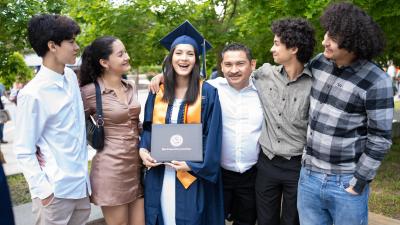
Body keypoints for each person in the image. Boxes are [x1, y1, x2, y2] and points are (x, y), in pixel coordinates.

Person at [298, 3, 393, 225]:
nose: (324, 41)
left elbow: (380, 138)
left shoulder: (377, 81)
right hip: (308, 178)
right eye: (326, 33)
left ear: (352, 41)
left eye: (333, 36)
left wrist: (358, 182)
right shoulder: (318, 63)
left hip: (345, 184)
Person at [139, 21, 224, 225]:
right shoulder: (157, 91)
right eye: (178, 53)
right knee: (164, 217)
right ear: (171, 57)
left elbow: (213, 136)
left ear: (196, 59)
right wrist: (143, 149)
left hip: (192, 176)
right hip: (161, 173)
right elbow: (149, 127)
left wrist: (193, 165)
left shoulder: (208, 94)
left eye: (190, 54)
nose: (183, 58)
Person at [14, 14, 91, 225]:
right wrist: (44, 191)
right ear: (52, 46)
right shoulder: (32, 94)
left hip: (80, 186)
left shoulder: (70, 77)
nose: (76, 47)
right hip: (55, 192)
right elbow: (23, 149)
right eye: (71, 41)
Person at [252, 18, 315, 225]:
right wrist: (164, 78)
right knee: (265, 220)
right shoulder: (264, 74)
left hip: (297, 167)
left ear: (294, 48)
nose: (272, 48)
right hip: (266, 163)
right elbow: (233, 77)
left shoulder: (315, 84)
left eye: (277, 43)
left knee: (292, 221)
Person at [79, 36, 144, 225]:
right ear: (104, 62)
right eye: (121, 54)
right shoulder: (89, 92)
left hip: (137, 167)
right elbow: (73, 125)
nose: (127, 57)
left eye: (126, 52)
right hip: (111, 171)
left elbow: (136, 124)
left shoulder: (130, 86)